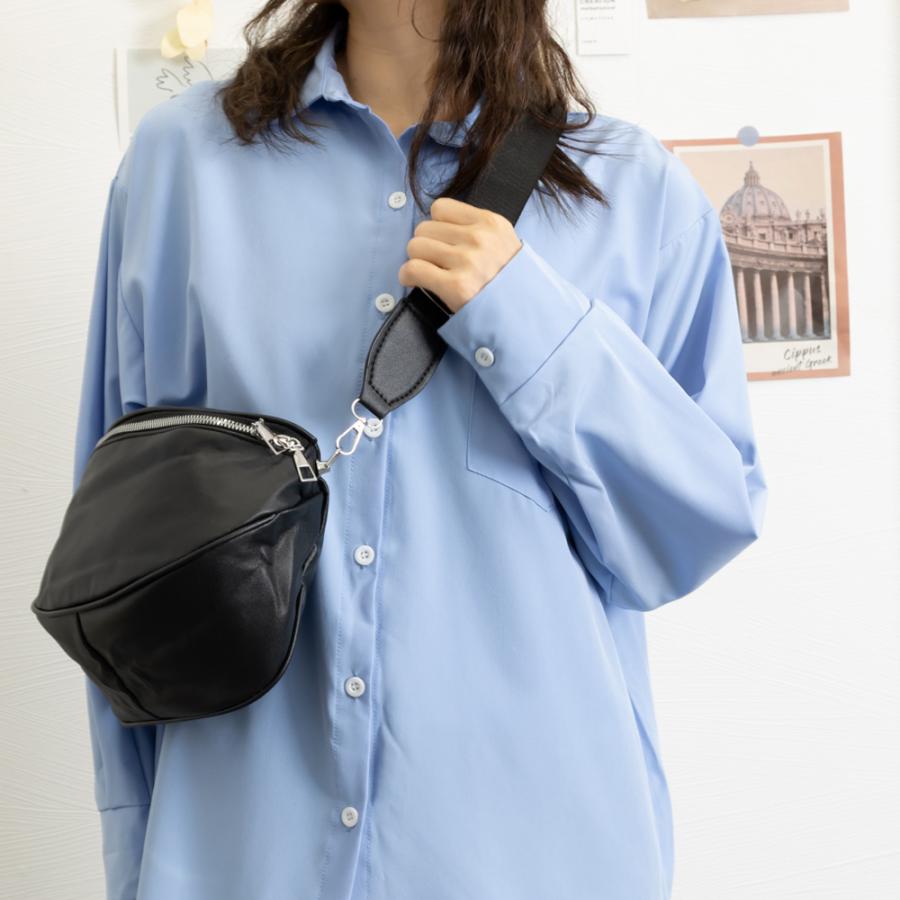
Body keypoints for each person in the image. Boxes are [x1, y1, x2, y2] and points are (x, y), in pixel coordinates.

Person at [75, 1, 767, 898]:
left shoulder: (635, 192)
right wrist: (136, 852)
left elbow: (695, 529)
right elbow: (116, 560)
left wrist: (527, 317)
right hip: (239, 856)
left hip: (534, 860)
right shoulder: (181, 166)